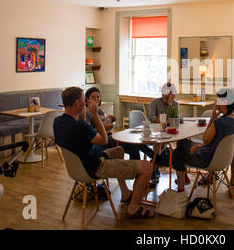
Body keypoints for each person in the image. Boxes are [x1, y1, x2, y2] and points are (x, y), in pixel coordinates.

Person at [53, 87, 155, 219]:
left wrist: (84, 117)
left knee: (119, 151)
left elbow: (79, 139)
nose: (86, 103)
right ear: (78, 103)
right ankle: (133, 207)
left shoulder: (58, 122)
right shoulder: (80, 126)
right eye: (84, 100)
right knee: (147, 167)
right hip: (95, 166)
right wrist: (94, 115)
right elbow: (103, 140)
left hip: (76, 167)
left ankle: (125, 193)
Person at [172, 88, 234, 193]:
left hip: (207, 160)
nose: (216, 102)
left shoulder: (218, 122)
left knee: (177, 153)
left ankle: (181, 189)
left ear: (224, 103)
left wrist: (213, 116)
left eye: (218, 100)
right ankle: (183, 179)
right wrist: (200, 146)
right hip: (223, 159)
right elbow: (220, 143)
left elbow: (205, 139)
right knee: (183, 142)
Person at [84, 87, 154, 161]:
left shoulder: (100, 110)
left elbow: (106, 124)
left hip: (110, 135)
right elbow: (90, 133)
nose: (96, 99)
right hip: (102, 140)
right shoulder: (87, 113)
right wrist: (105, 127)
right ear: (87, 100)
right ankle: (156, 157)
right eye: (93, 97)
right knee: (131, 139)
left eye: (98, 97)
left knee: (134, 146)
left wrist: (109, 121)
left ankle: (138, 168)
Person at [148, 82, 180, 184]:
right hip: (155, 131)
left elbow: (175, 119)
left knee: (162, 143)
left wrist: (170, 104)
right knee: (160, 143)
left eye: (168, 96)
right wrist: (161, 121)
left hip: (169, 132)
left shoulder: (175, 104)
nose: (165, 97)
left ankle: (153, 166)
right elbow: (151, 117)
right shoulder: (155, 102)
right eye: (164, 95)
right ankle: (155, 167)